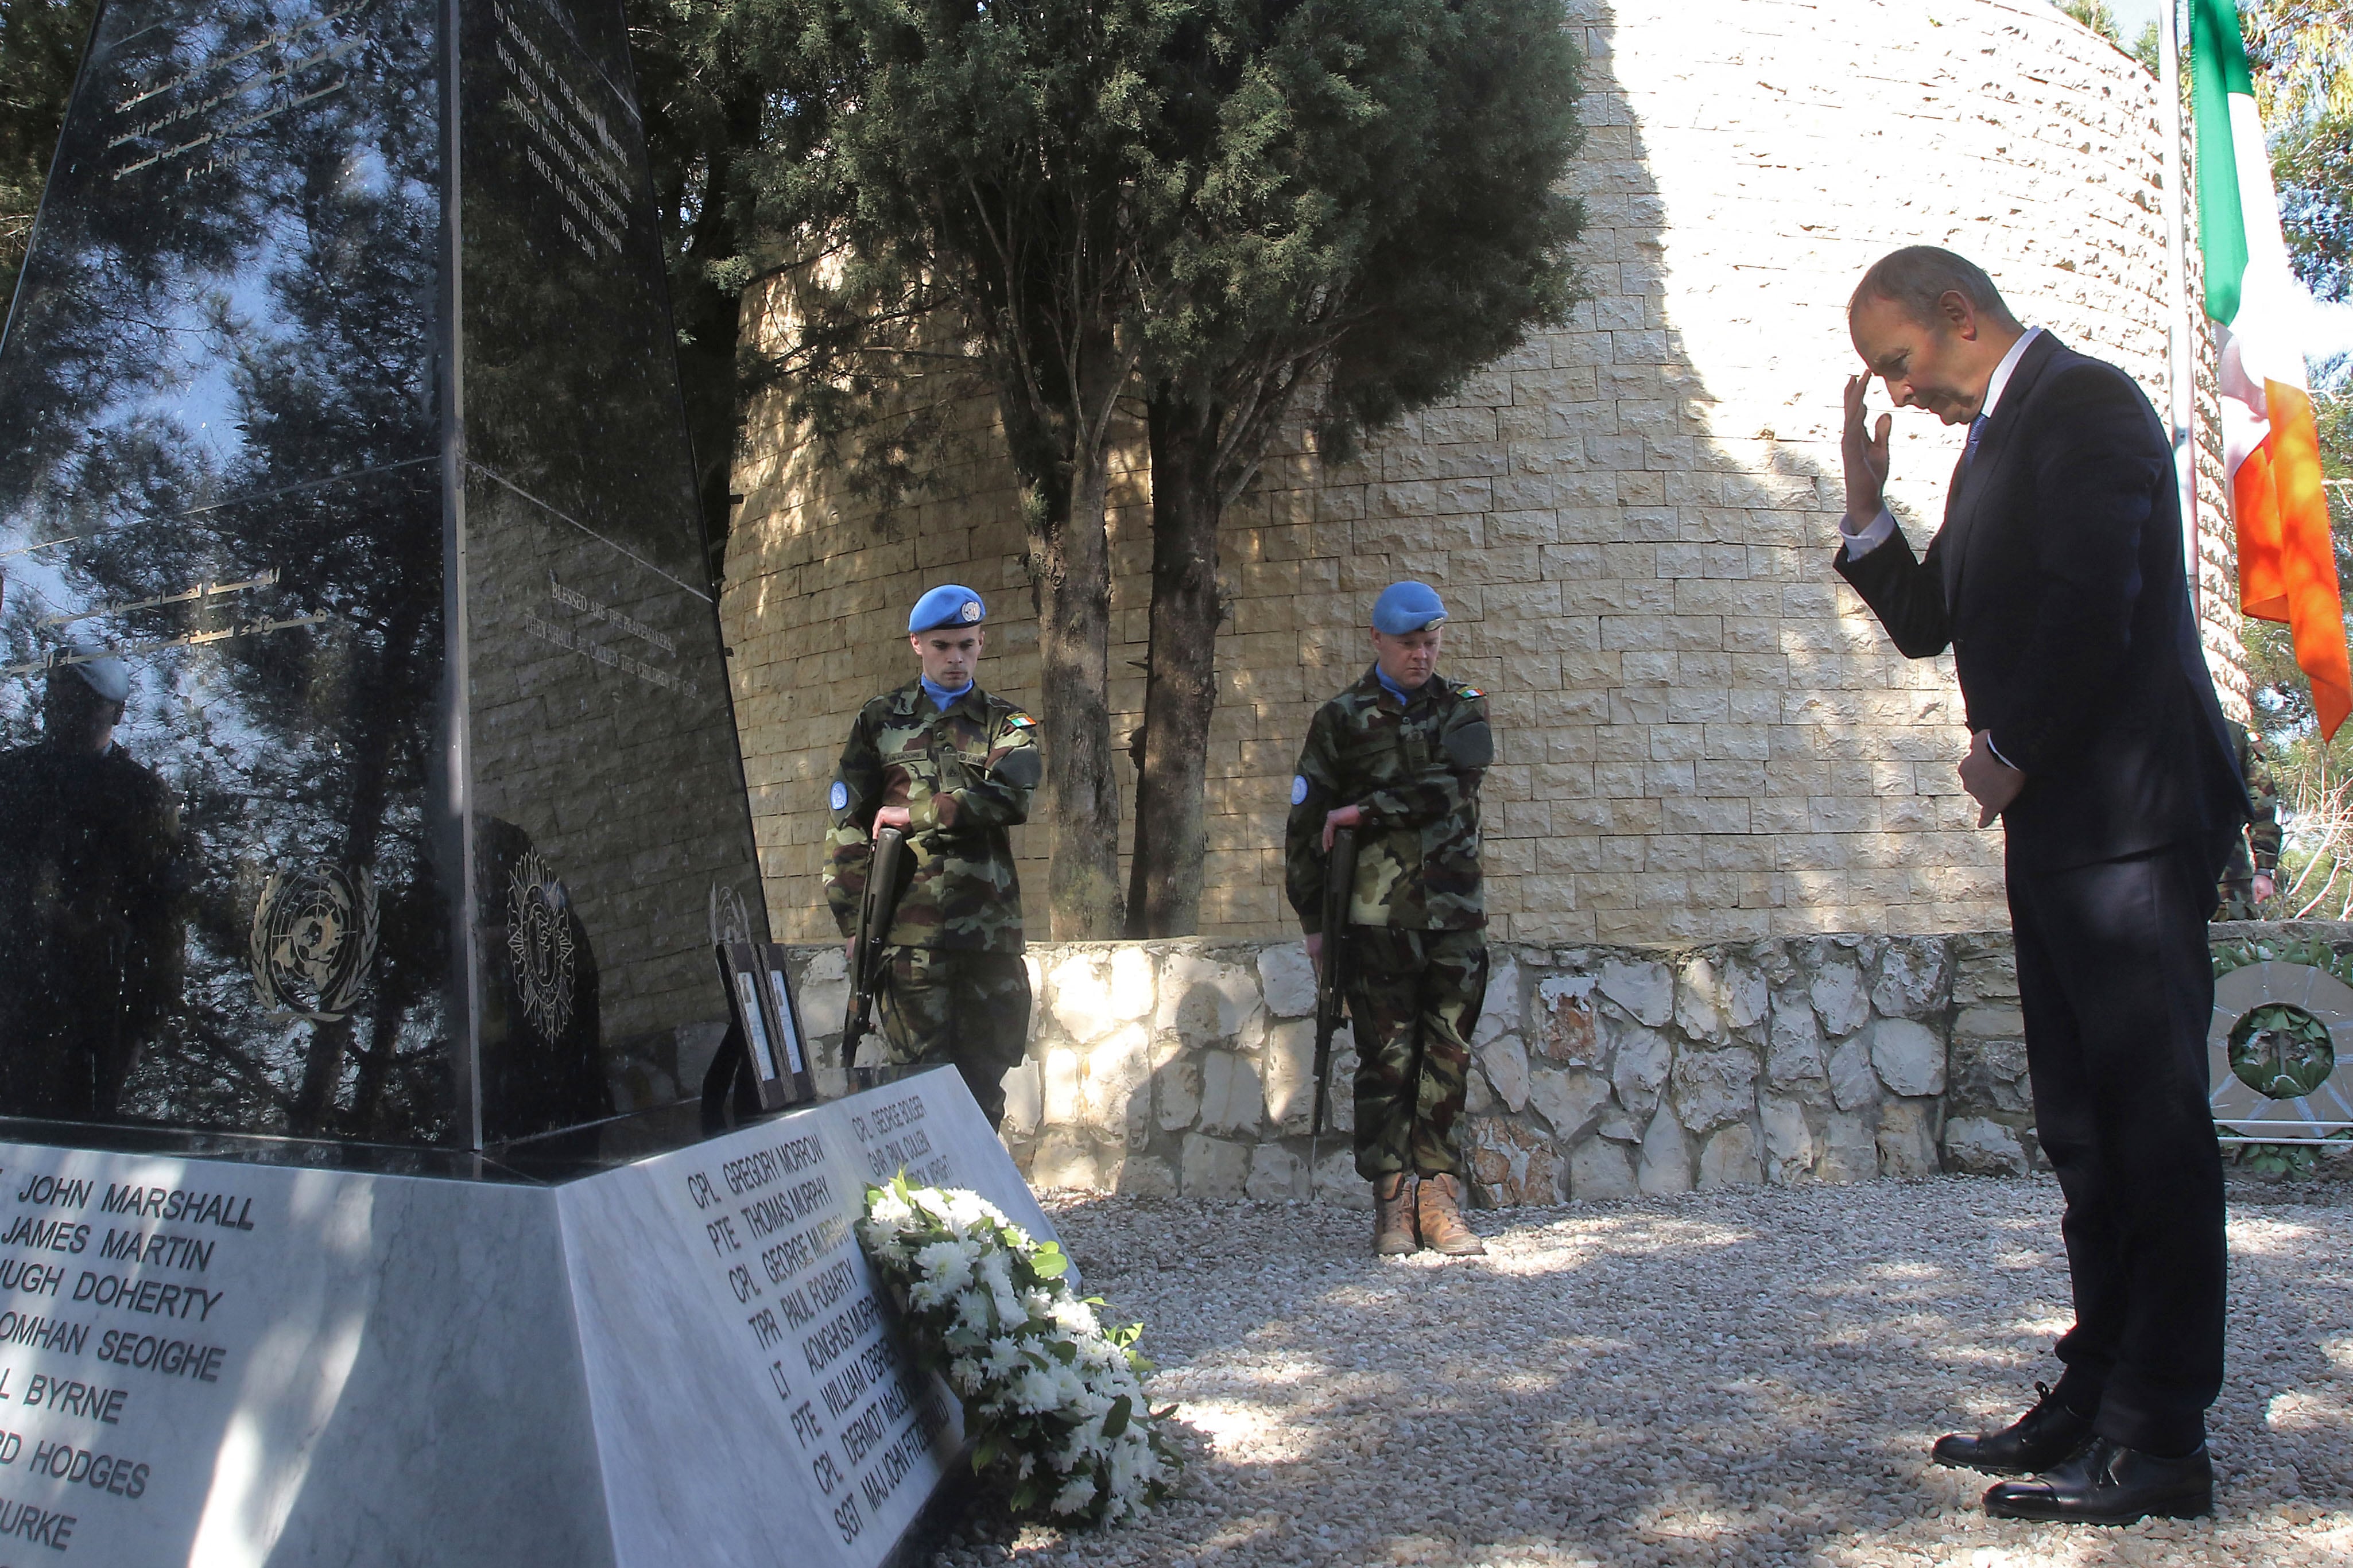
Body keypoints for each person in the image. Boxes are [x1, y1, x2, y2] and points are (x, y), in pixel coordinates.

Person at [1833, 248, 2248, 1524]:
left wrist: (2008, 751)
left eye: (1898, 365)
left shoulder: (2088, 404)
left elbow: (2096, 603)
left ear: (1959, 318)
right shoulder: (1990, 445)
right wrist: (1865, 505)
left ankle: (2163, 1437)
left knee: (2152, 1126)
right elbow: (1928, 618)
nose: (1896, 396)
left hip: (2130, 816)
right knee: (2081, 1127)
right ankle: (2096, 1389)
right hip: (2060, 832)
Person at [1285, 581, 1494, 1257]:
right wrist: (1315, 925)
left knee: (1448, 1057)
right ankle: (1391, 1202)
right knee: (1385, 1061)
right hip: (1374, 921)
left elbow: (1453, 789)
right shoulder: (1340, 719)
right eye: (1409, 643)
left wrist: (1365, 811)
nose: (1422, 655)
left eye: (1431, 643)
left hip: (1453, 917)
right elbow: (1303, 826)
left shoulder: (1464, 706)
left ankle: (1439, 1197)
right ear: (1377, 639)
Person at [824, 585, 1040, 1125]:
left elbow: (1011, 797)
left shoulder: (1007, 724)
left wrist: (916, 815)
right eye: (943, 645)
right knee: (915, 1088)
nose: (956, 657)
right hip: (907, 938)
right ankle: (926, 1210)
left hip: (987, 939)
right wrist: (853, 922)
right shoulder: (879, 721)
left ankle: (986, 1204)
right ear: (917, 643)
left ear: (982, 642)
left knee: (983, 1082)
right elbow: (847, 824)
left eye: (967, 645)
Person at [0, 650, 184, 1120]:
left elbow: (161, 919)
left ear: (117, 712)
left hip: (88, 1017)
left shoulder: (140, 797)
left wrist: (141, 1027)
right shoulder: (11, 778)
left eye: (83, 701)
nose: (62, 711)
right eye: (56, 698)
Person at [2214, 721, 2281, 919]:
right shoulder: (2233, 732)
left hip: (2225, 875)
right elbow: (2262, 800)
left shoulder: (2234, 733)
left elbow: (2261, 801)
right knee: (2228, 947)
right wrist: (2264, 867)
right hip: (2224, 874)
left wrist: (2264, 867)